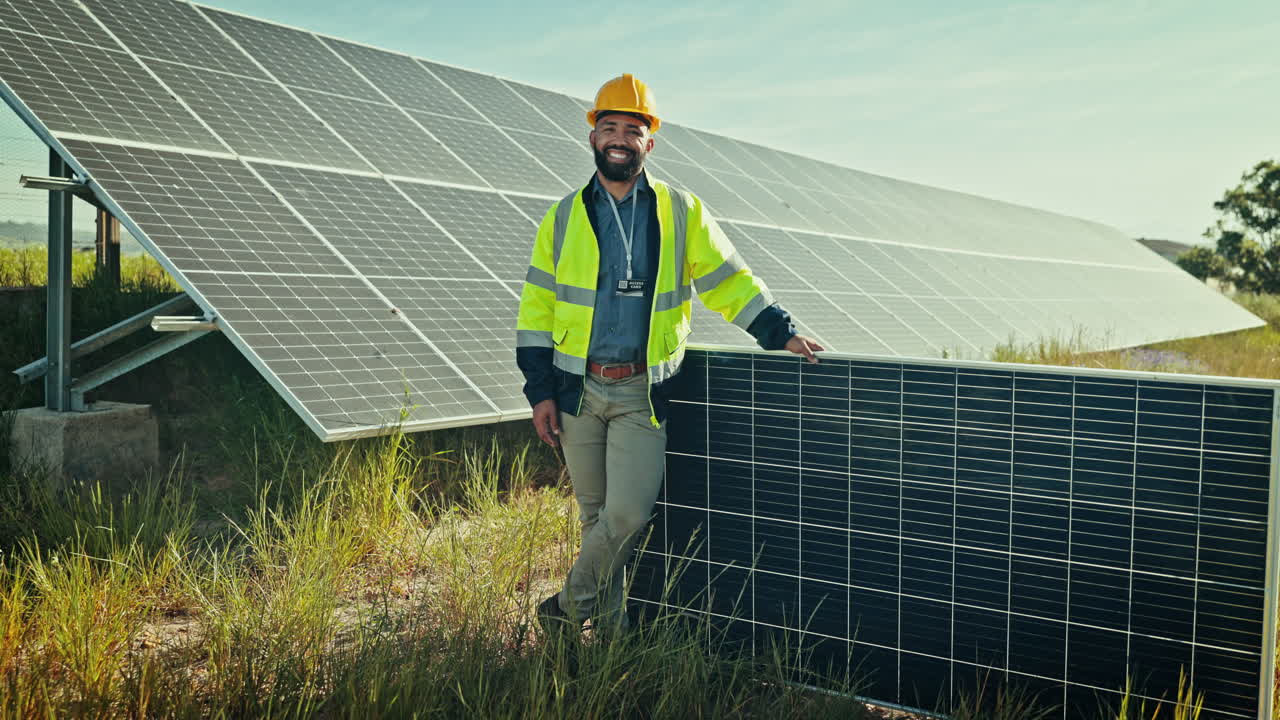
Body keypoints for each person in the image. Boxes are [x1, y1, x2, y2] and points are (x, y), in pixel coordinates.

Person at [515, 73, 823, 640]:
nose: (619, 138)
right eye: (609, 126)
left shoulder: (681, 211)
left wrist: (779, 331)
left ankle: (562, 609)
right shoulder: (561, 217)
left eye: (633, 130)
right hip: (575, 389)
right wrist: (539, 392)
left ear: (648, 143)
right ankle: (610, 645)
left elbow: (729, 280)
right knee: (594, 521)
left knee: (627, 517)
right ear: (592, 138)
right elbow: (536, 308)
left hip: (639, 391)